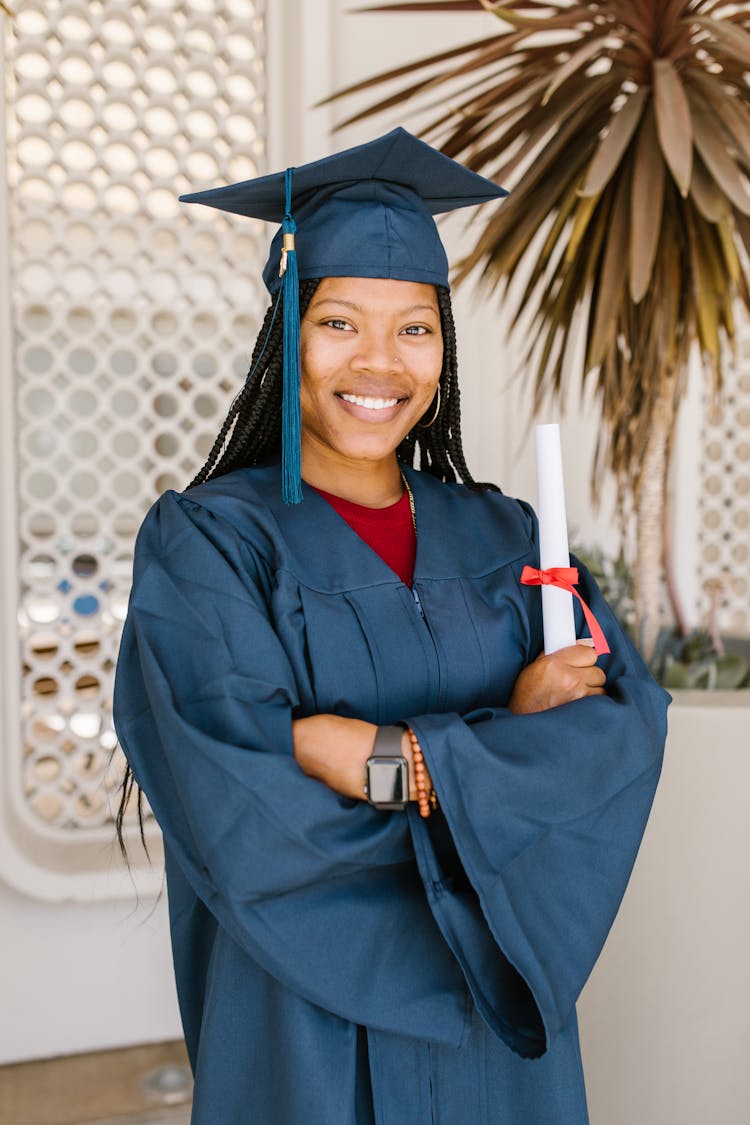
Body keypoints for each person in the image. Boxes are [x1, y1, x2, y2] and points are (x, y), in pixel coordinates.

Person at [113, 128, 669, 1124]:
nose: (379, 362)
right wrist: (500, 773)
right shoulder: (207, 545)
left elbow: (621, 734)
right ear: (288, 329)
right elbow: (244, 818)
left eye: (415, 328)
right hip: (302, 1026)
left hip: (495, 1039)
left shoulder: (511, 538)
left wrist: (396, 762)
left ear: (444, 344)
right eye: (338, 322)